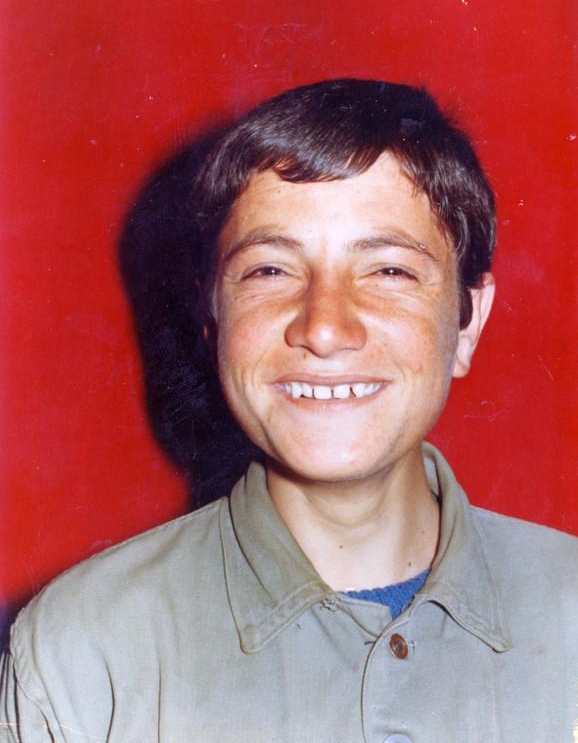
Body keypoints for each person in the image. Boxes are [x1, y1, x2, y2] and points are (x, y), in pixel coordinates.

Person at [1, 79, 576, 742]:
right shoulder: (80, 655)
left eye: (389, 271)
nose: (324, 328)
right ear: (213, 321)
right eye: (269, 271)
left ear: (467, 324)